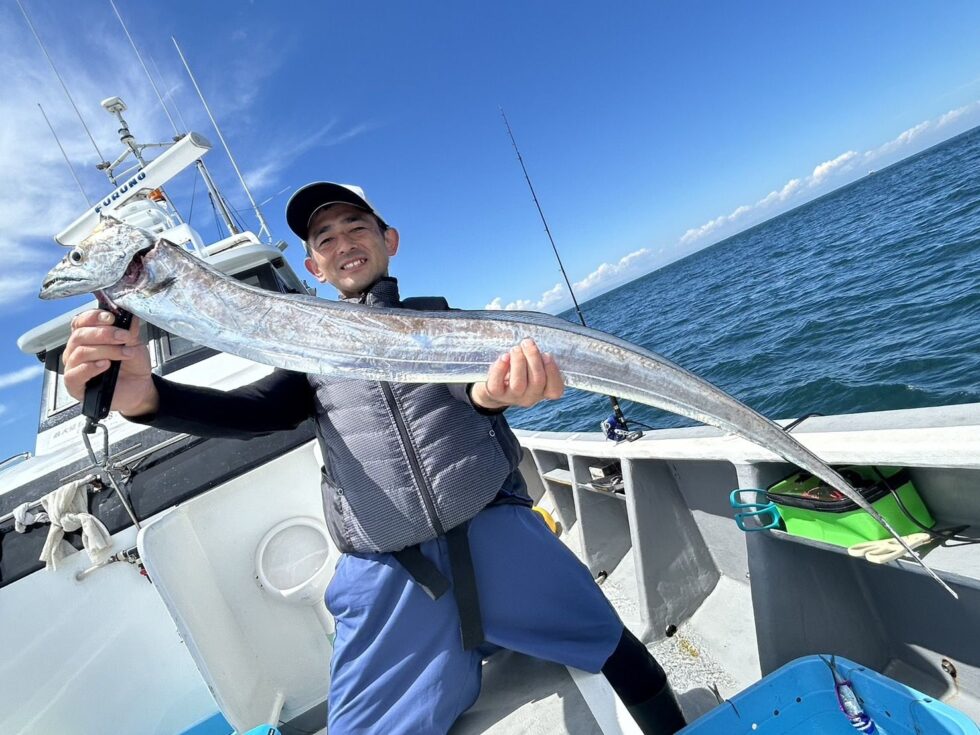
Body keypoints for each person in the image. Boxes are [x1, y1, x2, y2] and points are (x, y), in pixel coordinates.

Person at [63, 182, 686, 734]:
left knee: (613, 644)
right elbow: (259, 412)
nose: (342, 242)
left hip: (496, 529)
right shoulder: (311, 352)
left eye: (356, 226)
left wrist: (495, 395)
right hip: (392, 570)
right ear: (313, 266)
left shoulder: (438, 323)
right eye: (324, 237)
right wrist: (146, 397)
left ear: (389, 239)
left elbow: (470, 393)